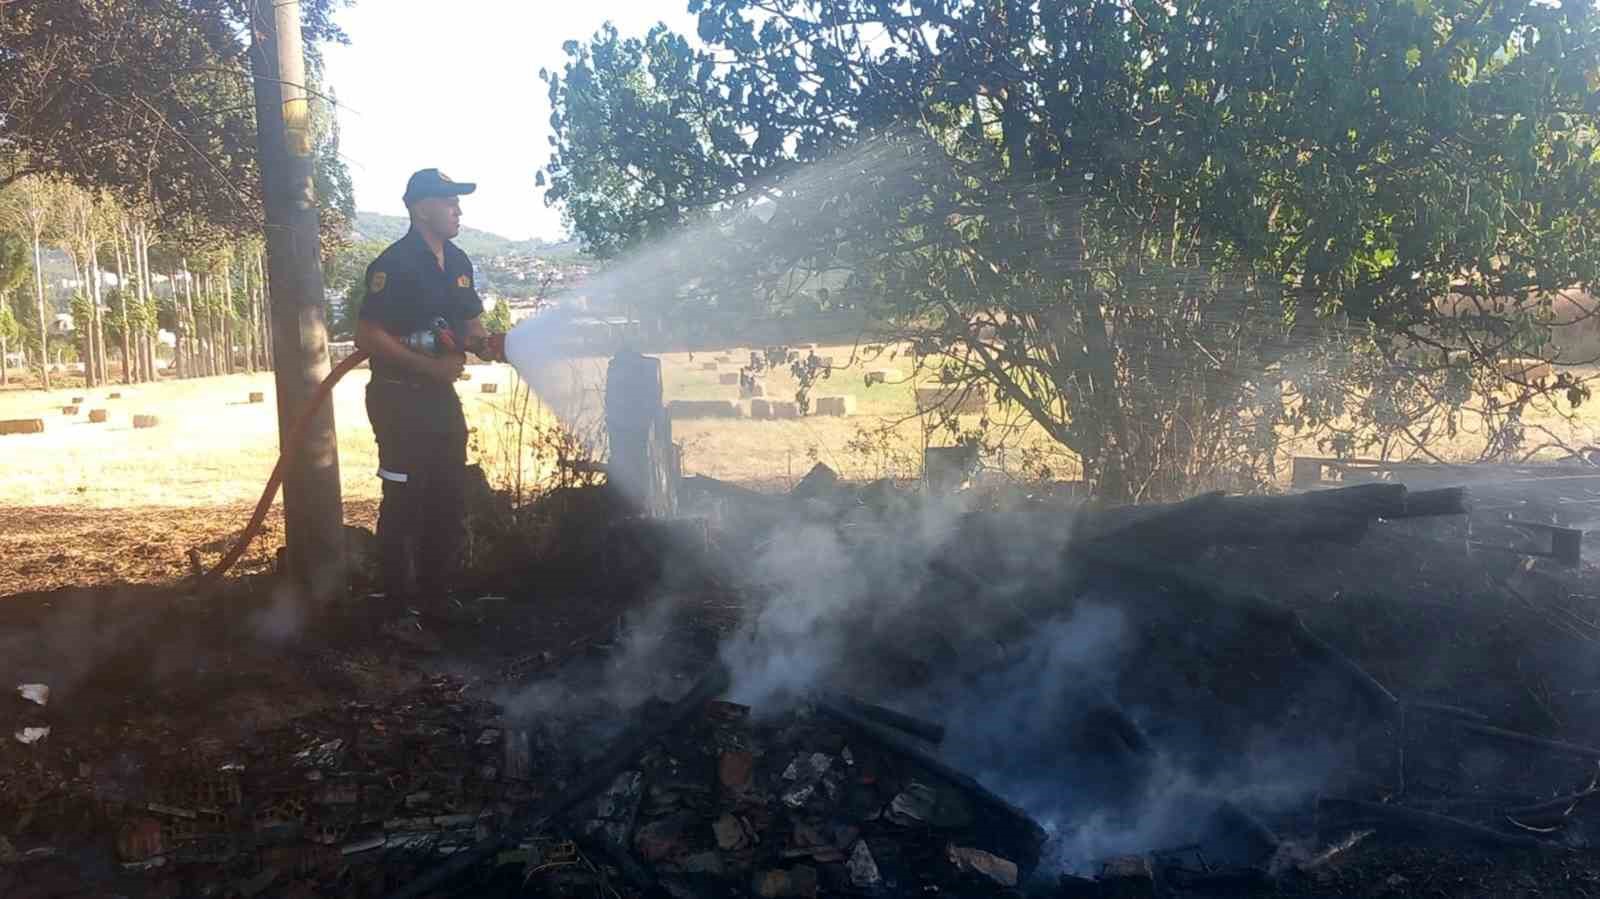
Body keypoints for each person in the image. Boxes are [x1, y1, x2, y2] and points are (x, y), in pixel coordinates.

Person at [354, 168, 499, 603]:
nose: (458, 209)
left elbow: (470, 326)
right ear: (420, 208)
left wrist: (493, 344)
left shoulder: (458, 262)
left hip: (439, 399)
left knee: (447, 496)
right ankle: (400, 610)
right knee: (404, 501)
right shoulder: (393, 265)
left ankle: (438, 598)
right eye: (448, 201)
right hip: (397, 398)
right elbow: (368, 336)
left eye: (458, 201)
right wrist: (429, 366)